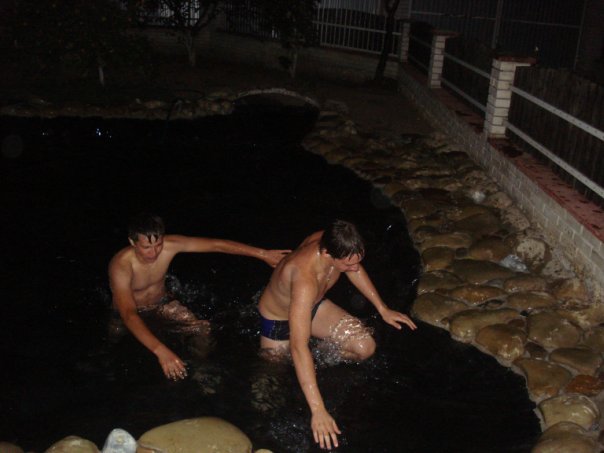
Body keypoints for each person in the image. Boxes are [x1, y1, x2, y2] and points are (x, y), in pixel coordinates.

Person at [258, 220, 417, 450]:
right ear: (326, 253)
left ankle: (314, 360)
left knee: (365, 347)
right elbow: (298, 347)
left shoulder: (336, 240)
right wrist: (318, 410)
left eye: (357, 261)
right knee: (271, 385)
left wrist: (383, 309)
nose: (355, 268)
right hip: (278, 321)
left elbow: (355, 268)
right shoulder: (305, 279)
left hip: (311, 307)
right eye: (348, 264)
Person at [108, 214, 289, 381]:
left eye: (158, 245)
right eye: (147, 247)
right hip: (125, 315)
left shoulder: (171, 245)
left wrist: (263, 254)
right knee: (115, 342)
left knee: (202, 329)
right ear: (132, 242)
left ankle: (199, 369)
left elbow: (216, 245)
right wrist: (161, 351)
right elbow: (128, 313)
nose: (154, 253)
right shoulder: (121, 266)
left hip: (161, 304)